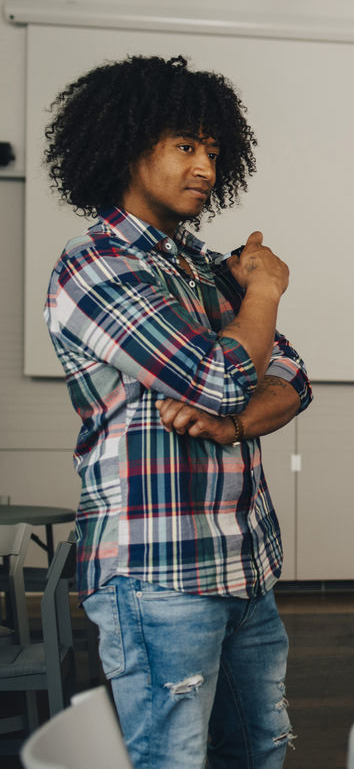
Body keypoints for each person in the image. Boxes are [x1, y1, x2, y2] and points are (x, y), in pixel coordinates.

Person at [43, 55, 312, 768]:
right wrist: (265, 290)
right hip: (158, 574)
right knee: (172, 760)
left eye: (214, 150)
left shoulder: (196, 267)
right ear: (126, 144)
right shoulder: (97, 264)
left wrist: (233, 424)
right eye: (185, 146)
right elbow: (223, 375)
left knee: (258, 751)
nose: (206, 167)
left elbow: (290, 373)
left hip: (244, 565)